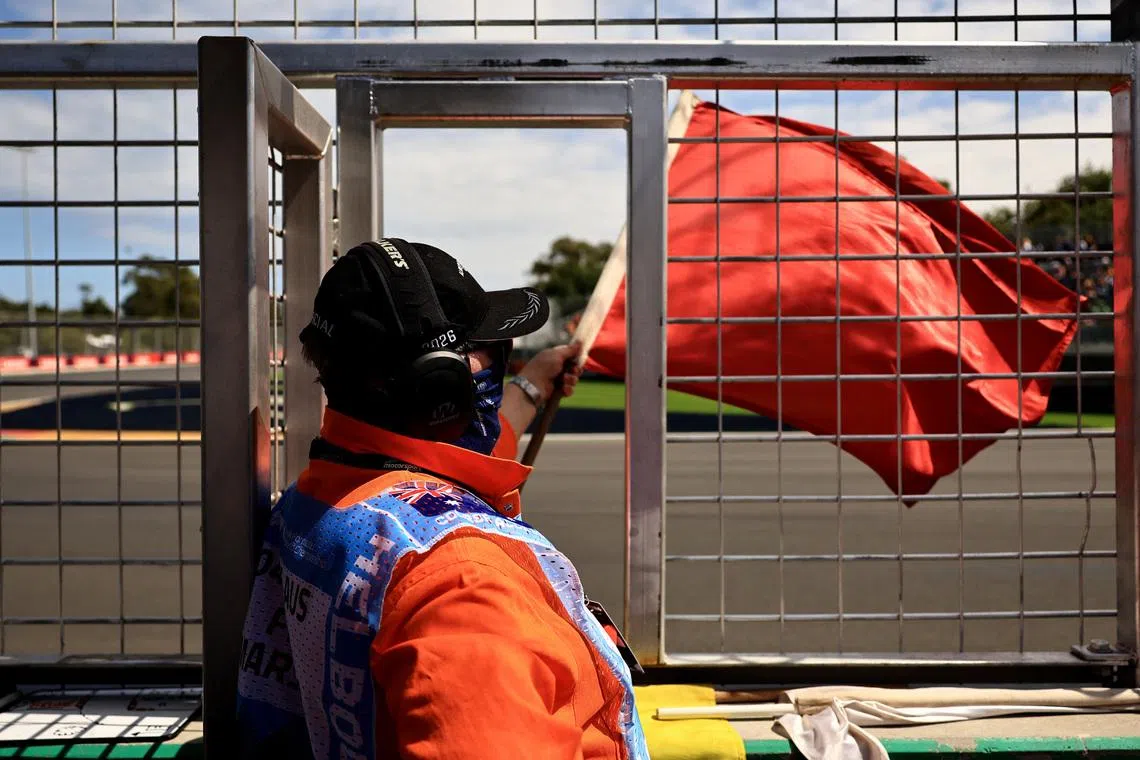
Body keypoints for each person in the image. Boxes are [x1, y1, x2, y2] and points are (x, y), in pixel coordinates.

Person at [235, 238, 649, 760]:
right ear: (439, 386)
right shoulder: (463, 585)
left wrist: (533, 384)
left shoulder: (321, 495)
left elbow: (445, 463)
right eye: (491, 349)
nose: (506, 359)